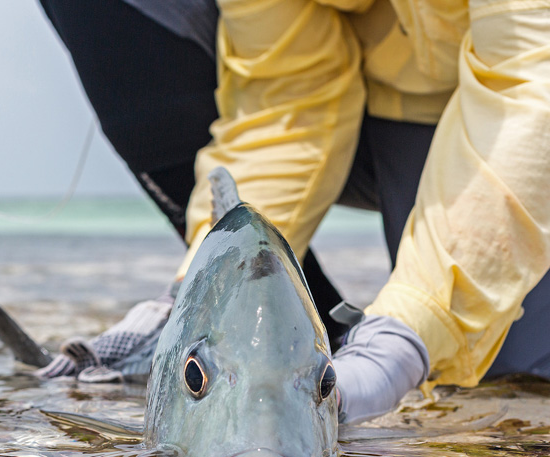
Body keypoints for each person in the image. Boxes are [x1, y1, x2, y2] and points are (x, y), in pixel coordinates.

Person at [37, 0, 550, 424]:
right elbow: (288, 92)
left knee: (513, 380)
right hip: (400, 101)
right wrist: (198, 285)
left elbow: (532, 79)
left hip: (523, 101)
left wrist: (409, 332)